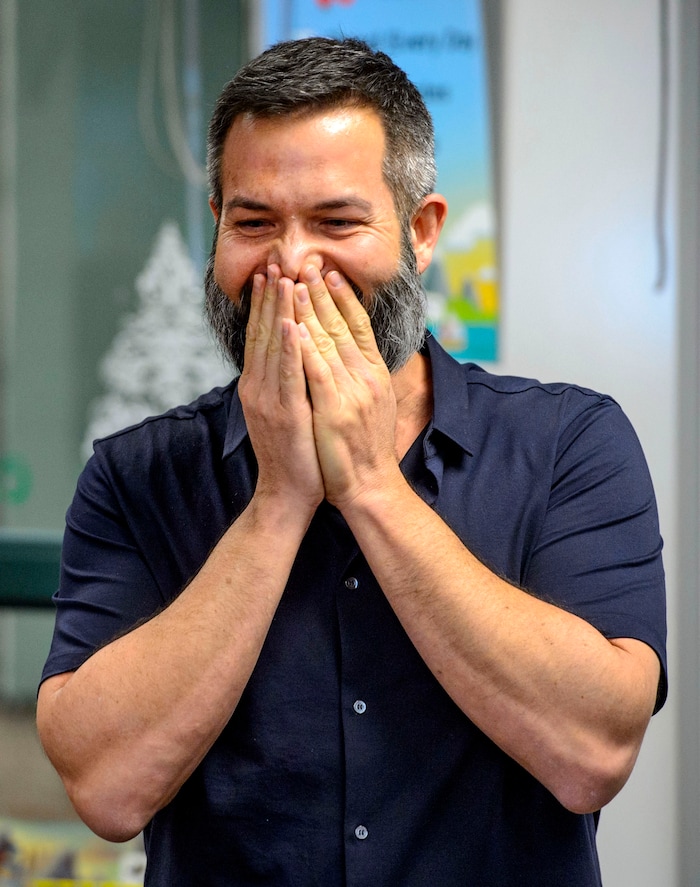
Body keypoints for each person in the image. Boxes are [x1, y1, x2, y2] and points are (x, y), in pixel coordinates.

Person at [36, 36, 666, 886]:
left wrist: (371, 485)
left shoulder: (569, 444)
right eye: (253, 223)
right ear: (217, 229)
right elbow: (106, 788)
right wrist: (278, 501)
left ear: (421, 231)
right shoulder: (134, 476)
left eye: (337, 222)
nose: (292, 265)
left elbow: (594, 753)